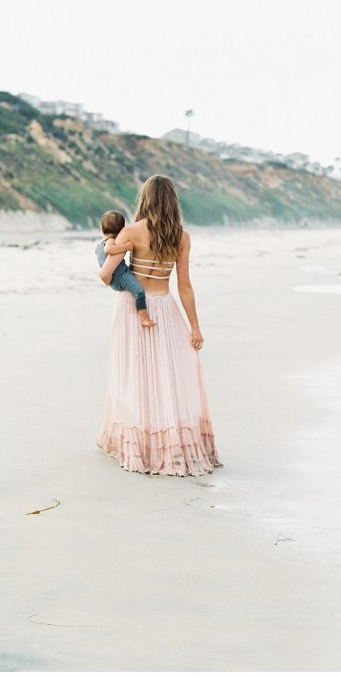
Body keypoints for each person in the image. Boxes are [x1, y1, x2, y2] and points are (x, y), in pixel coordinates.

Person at [95, 175, 222, 476]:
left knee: (134, 374)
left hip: (132, 308)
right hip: (165, 307)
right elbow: (185, 286)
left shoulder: (133, 231)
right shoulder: (182, 237)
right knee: (165, 377)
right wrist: (195, 327)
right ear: (173, 202)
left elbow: (105, 275)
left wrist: (108, 251)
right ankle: (170, 446)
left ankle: (138, 446)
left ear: (145, 199)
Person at [95, 210, 156, 328]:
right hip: (121, 277)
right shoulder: (111, 241)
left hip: (114, 279)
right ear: (121, 229)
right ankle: (144, 318)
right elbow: (108, 250)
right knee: (139, 291)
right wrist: (126, 247)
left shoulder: (100, 244)